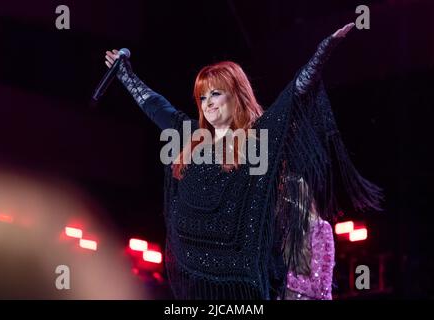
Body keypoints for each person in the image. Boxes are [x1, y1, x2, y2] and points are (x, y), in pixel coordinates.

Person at [104, 22, 382, 300]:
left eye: (215, 93)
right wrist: (125, 74)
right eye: (202, 97)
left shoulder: (257, 140)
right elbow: (155, 105)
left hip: (245, 283)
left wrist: (323, 49)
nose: (207, 103)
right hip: (200, 282)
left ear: (236, 96)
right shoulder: (192, 137)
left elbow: (294, 94)